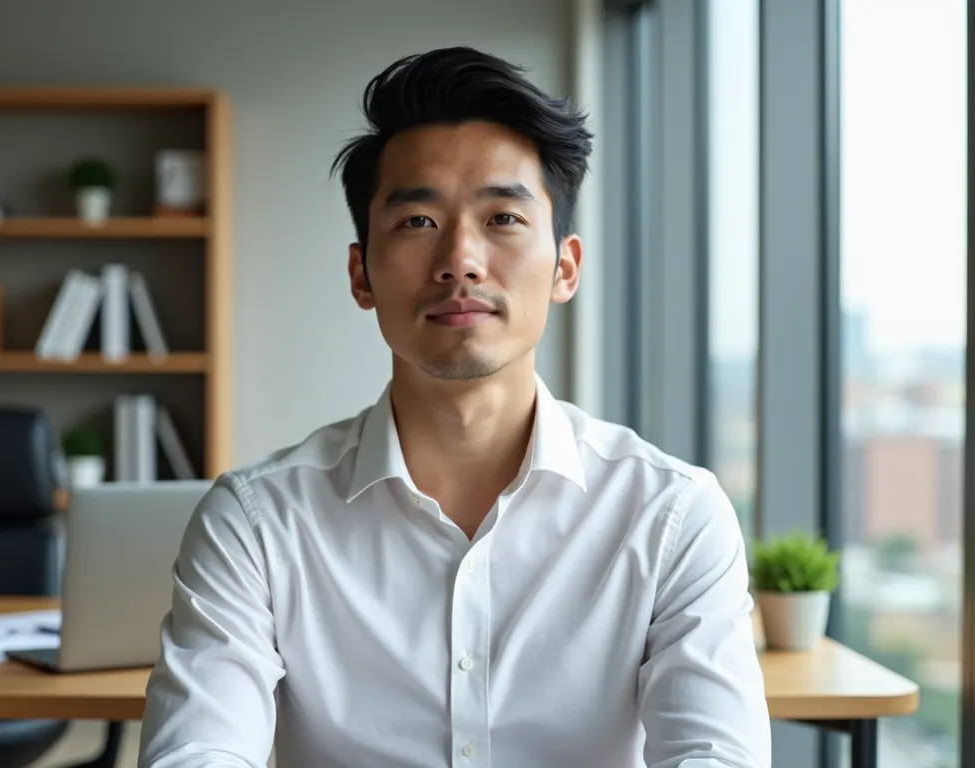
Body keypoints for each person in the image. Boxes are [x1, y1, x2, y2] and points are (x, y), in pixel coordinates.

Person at [137, 46, 771, 768]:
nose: (460, 260)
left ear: (565, 268)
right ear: (361, 274)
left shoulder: (672, 516)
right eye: (417, 221)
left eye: (503, 217)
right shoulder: (256, 523)